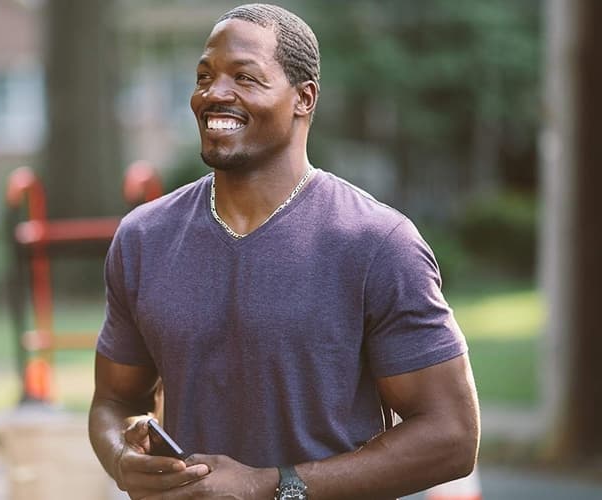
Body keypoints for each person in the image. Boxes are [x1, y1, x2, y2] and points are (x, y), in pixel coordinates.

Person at [89, 4, 480, 499]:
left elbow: (452, 437)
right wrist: (121, 458)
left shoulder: (377, 243)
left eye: (244, 78)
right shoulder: (144, 238)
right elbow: (113, 399)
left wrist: (273, 486)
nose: (214, 93)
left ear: (304, 98)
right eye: (204, 76)